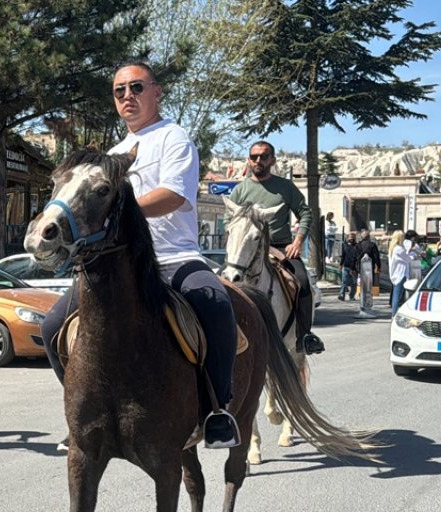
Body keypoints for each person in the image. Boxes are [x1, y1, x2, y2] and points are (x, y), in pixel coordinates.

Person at [40, 60, 240, 449]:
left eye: (136, 87)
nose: (127, 96)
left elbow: (175, 195)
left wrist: (122, 210)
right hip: (119, 264)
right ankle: (83, 411)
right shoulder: (111, 154)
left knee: (215, 306)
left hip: (173, 257)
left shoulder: (174, 138)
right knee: (51, 328)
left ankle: (218, 409)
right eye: (119, 91)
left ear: (157, 91)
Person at [227, 140, 324, 355]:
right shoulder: (240, 191)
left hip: (282, 247)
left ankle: (305, 335)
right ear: (248, 160)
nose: (258, 160)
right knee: (222, 284)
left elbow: (305, 213)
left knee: (302, 282)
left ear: (272, 160)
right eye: (254, 157)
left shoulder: (285, 187)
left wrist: (297, 241)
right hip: (246, 250)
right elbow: (229, 221)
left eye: (263, 156)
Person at [354, 230, 381, 319]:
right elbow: (376, 256)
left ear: (361, 237)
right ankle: (367, 304)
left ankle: (363, 304)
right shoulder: (372, 245)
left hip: (360, 268)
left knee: (361, 285)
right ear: (369, 237)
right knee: (368, 286)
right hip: (369, 269)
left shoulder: (357, 245)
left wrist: (353, 268)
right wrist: (378, 266)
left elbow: (354, 257)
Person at [388, 230, 410, 312]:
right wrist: (413, 254)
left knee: (396, 294)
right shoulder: (399, 249)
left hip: (395, 274)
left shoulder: (392, 248)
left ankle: (394, 312)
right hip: (401, 273)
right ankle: (394, 313)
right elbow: (407, 258)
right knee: (398, 295)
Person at [338, 232, 358, 301]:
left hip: (354, 267)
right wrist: (341, 264)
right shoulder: (345, 245)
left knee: (353, 283)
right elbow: (343, 256)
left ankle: (351, 296)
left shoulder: (357, 246)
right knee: (344, 282)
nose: (351, 239)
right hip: (346, 266)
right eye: (350, 237)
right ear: (348, 238)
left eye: (353, 237)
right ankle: (341, 295)